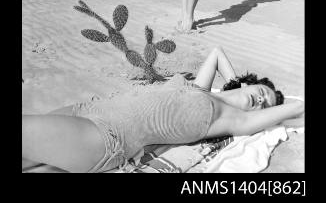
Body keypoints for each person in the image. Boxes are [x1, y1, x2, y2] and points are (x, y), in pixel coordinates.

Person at [22, 46, 304, 173]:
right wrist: (235, 84)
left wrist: (267, 107)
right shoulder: (202, 90)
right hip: (89, 109)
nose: (262, 102)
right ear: (249, 83)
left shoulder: (233, 120)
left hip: (106, 136)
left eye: (266, 106)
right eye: (263, 93)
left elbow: (296, 107)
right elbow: (216, 52)